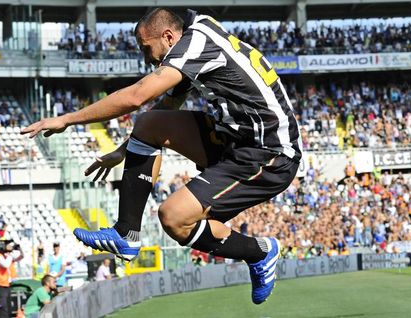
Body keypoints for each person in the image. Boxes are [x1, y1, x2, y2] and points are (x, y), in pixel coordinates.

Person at [21, 8, 301, 304]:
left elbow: (136, 96)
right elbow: (171, 101)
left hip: (269, 154)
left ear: (168, 37)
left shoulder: (196, 42)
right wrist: (122, 150)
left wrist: (67, 119)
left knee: (173, 217)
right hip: (234, 140)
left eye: (146, 48)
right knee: (148, 124)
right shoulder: (196, 33)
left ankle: (260, 252)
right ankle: (126, 234)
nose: (147, 59)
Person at [0, 240, 23, 318]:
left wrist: (17, 249)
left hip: (6, 284)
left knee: (7, 307)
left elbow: (20, 256)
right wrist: (10, 255)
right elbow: (6, 265)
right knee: (2, 308)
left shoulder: (5, 256)